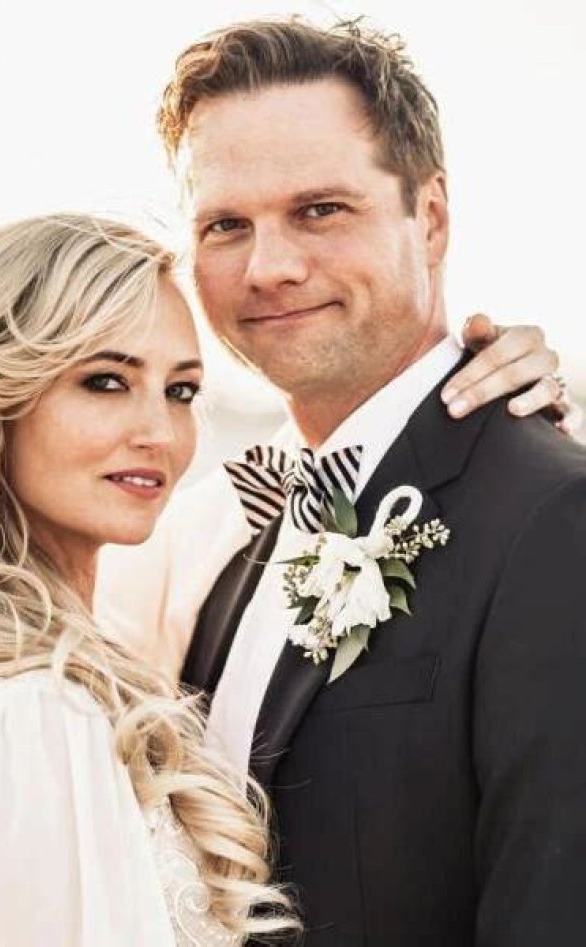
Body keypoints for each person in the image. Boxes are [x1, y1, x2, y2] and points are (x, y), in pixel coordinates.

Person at [99, 18, 586, 946]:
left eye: (320, 209)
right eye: (226, 226)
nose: (270, 268)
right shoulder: (223, 529)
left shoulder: (553, 519)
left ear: (430, 218)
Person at [0, 213, 301, 946]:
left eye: (181, 391)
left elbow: (309, 470)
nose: (159, 432)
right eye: (105, 382)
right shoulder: (36, 710)